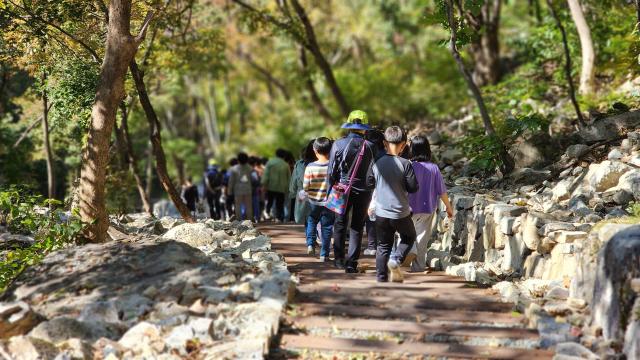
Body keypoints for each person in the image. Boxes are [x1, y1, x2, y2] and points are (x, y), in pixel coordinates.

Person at [367, 126, 419, 283]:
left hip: (381, 212)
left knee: (383, 246)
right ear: (403, 145)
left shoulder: (376, 163)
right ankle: (396, 259)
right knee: (409, 237)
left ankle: (381, 277)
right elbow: (413, 187)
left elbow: (369, 183)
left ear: (384, 143)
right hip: (401, 212)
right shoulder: (405, 163)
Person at [327, 110, 376, 272]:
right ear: (364, 128)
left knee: (340, 224)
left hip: (342, 189)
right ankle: (352, 263)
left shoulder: (338, 144)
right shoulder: (370, 147)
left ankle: (339, 259)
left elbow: (331, 171)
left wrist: (330, 190)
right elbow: (374, 172)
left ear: (349, 126)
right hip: (364, 191)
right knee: (357, 226)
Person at [407, 135, 454, 272]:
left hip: (408, 207)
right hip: (427, 208)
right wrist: (449, 208)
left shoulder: (407, 166)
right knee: (422, 237)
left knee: (405, 232)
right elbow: (442, 191)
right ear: (428, 150)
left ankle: (410, 248)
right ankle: (418, 266)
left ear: (412, 149)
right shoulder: (434, 168)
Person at [303, 137, 334, 260]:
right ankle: (324, 255)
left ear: (315, 150)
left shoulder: (310, 167)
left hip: (313, 202)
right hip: (328, 202)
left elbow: (306, 186)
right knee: (327, 227)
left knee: (311, 222)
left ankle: (310, 244)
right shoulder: (332, 166)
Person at [364, 129, 386, 256]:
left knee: (370, 217)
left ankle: (372, 246)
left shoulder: (367, 153)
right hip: (385, 189)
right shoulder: (385, 154)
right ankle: (382, 245)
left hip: (369, 189)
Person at [290, 140, 317, 225]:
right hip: (320, 195)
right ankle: (314, 236)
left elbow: (294, 180)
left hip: (303, 195)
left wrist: (293, 192)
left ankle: (310, 238)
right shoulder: (325, 164)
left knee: (308, 219)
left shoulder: (300, 164)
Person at [262, 149, 291, 222]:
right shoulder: (285, 164)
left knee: (270, 201)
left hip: (271, 186)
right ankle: (279, 218)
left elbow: (266, 175)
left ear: (276, 154)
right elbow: (289, 177)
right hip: (281, 188)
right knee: (280, 204)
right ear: (284, 155)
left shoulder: (270, 162)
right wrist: (288, 188)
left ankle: (267, 214)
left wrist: (264, 184)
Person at [228, 152, 255, 221]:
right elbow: (253, 179)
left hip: (238, 190)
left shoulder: (234, 169)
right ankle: (249, 220)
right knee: (249, 206)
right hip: (248, 189)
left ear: (238, 160)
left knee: (238, 206)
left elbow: (231, 181)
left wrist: (229, 191)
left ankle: (239, 220)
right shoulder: (250, 168)